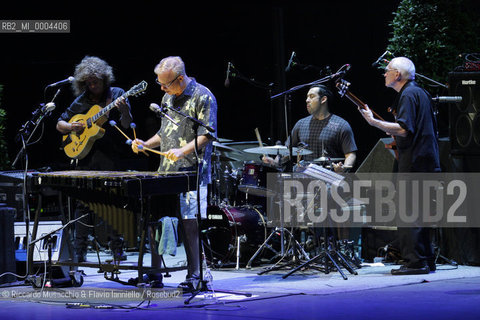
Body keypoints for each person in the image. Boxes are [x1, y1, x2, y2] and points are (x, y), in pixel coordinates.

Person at [131, 56, 217, 291]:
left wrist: (183, 150)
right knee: (155, 222)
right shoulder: (167, 97)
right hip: (166, 173)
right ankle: (156, 273)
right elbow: (164, 132)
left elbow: (208, 134)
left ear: (180, 79)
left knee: (190, 224)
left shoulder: (203, 95)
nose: (162, 88)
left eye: (165, 84)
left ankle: (194, 275)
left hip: (192, 172)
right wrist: (145, 143)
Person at [358, 56, 440, 275]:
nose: (384, 74)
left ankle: (415, 263)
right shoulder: (419, 92)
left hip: (414, 164)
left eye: (387, 70)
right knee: (419, 215)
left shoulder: (408, 95)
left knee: (408, 215)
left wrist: (373, 122)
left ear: (398, 74)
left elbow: (404, 129)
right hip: (426, 162)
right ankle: (426, 260)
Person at [56, 56, 133, 263]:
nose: (92, 86)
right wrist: (72, 127)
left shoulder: (116, 94)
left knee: (112, 202)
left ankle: (117, 249)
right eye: (88, 83)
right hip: (85, 157)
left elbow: (126, 125)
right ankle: (79, 251)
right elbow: (60, 124)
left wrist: (124, 109)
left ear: (104, 79)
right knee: (83, 204)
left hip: (110, 156)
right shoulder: (81, 99)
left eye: (96, 82)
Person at [263, 84, 357, 172]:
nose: (307, 100)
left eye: (311, 96)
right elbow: (287, 152)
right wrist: (274, 162)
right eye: (307, 97)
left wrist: (343, 169)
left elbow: (350, 154)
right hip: (305, 178)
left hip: (329, 178)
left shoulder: (341, 125)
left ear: (323, 99)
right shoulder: (301, 124)